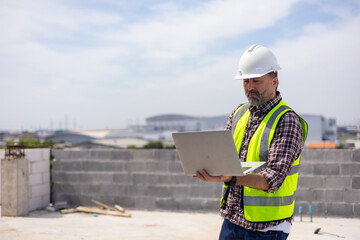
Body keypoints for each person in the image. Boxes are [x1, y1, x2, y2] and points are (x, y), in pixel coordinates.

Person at [195, 44, 308, 240]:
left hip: (267, 229)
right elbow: (224, 158)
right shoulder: (238, 113)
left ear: (275, 82)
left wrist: (230, 178)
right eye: (246, 81)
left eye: (257, 80)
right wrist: (209, 166)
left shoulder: (286, 120)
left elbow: (273, 179)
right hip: (232, 220)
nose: (250, 87)